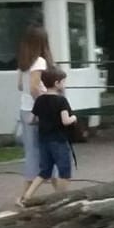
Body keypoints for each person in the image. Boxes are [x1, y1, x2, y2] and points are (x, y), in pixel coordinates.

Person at [20, 67, 76, 205]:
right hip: (59, 140)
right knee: (64, 172)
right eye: (64, 82)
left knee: (44, 171)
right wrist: (74, 117)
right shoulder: (61, 101)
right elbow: (65, 121)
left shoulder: (39, 100)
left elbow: (30, 120)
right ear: (57, 84)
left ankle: (26, 197)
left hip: (43, 140)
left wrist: (43, 120)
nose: (65, 85)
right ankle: (61, 199)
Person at [15, 22, 53, 204]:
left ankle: (26, 194)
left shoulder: (24, 63)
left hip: (24, 109)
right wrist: (48, 97)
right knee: (50, 148)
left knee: (32, 151)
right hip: (37, 111)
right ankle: (29, 195)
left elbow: (20, 85)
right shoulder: (40, 61)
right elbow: (32, 87)